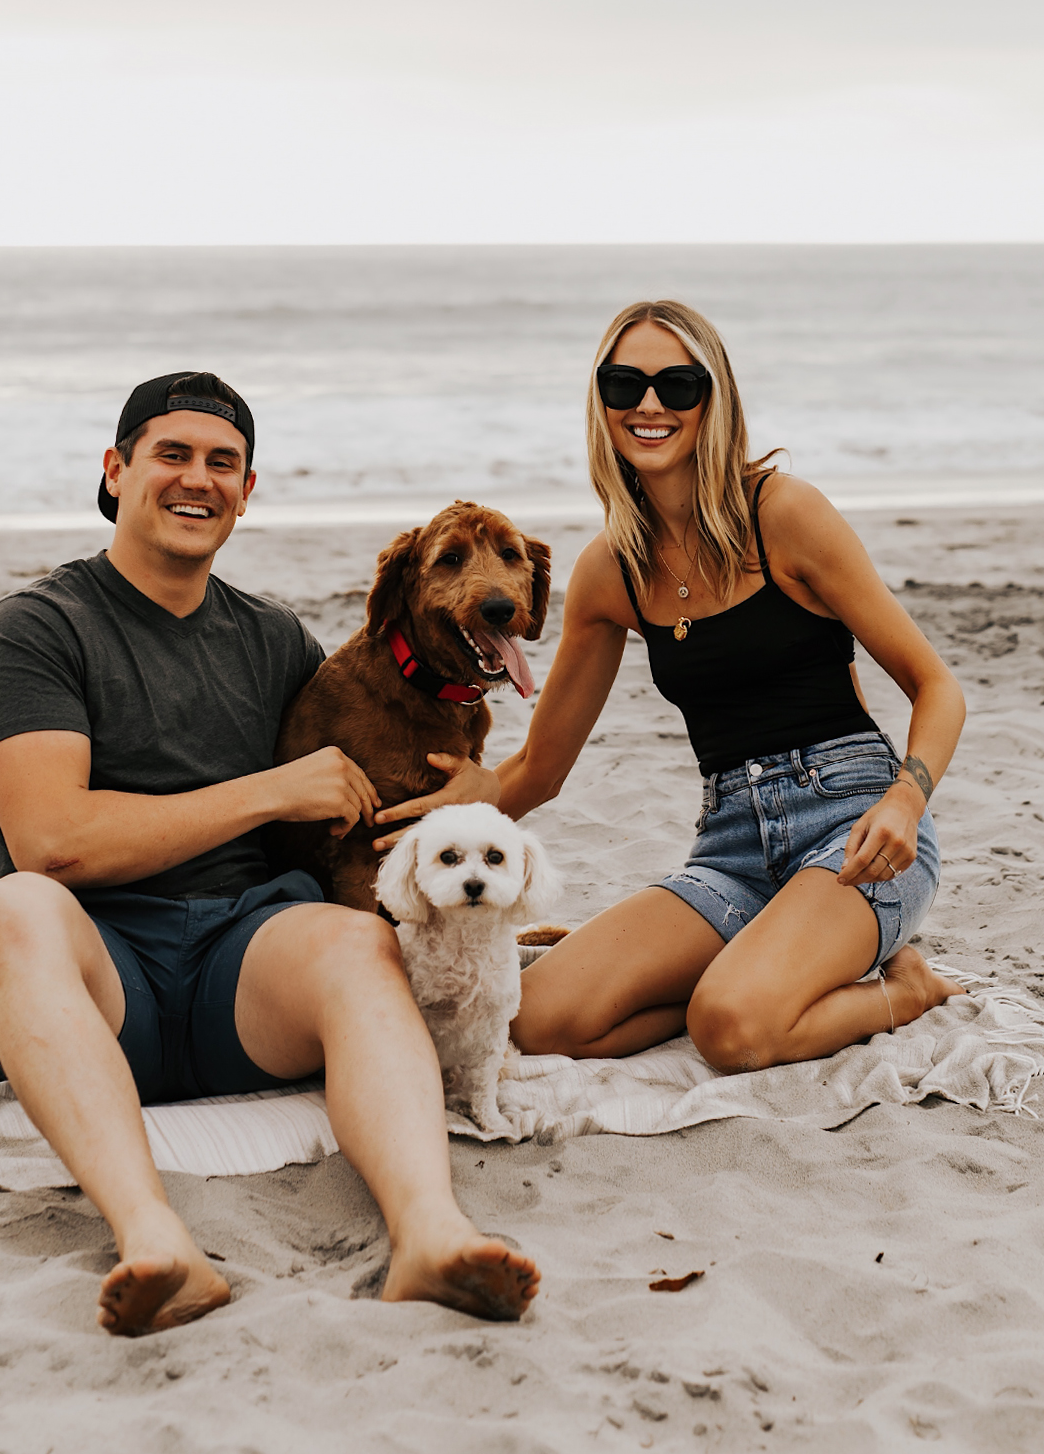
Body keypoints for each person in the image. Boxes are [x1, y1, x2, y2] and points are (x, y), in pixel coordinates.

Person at [0, 370, 538, 1335]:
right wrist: (272, 788)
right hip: (101, 973)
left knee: (357, 946)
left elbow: (380, 775)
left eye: (223, 462)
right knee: (9, 910)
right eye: (171, 455)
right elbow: (51, 845)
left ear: (248, 489)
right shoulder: (38, 630)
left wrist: (480, 790)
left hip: (244, 968)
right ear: (116, 469)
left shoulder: (273, 639)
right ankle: (156, 1243)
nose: (198, 479)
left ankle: (431, 1237)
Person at [374, 302, 965, 1071]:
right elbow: (540, 769)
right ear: (603, 402)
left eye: (677, 385)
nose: (649, 406)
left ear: (712, 399)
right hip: (731, 847)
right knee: (543, 1020)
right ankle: (756, 974)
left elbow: (937, 686)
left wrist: (906, 799)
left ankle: (904, 989)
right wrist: (441, 826)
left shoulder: (783, 514)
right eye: (625, 384)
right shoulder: (609, 571)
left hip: (855, 829)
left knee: (733, 1027)